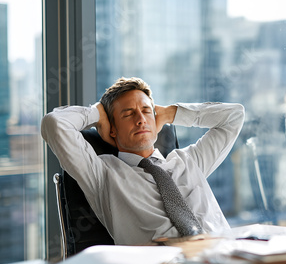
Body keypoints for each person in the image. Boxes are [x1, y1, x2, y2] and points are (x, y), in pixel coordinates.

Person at [41, 77, 245, 245]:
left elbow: (234, 116)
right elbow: (54, 124)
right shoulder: (102, 174)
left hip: (228, 258)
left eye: (147, 111)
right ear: (112, 128)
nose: (140, 119)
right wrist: (97, 113)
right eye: (128, 114)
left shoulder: (190, 161)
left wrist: (171, 113)